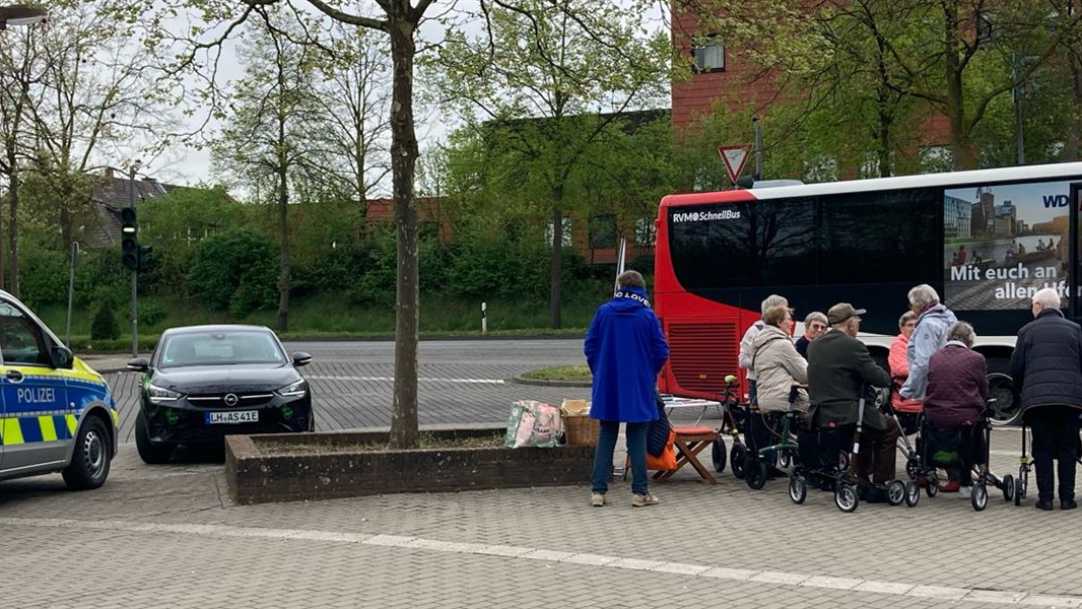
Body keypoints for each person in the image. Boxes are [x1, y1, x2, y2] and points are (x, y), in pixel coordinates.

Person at [584, 270, 670, 508]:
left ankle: (598, 491)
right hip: (638, 384)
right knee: (637, 437)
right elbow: (661, 350)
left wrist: (600, 370)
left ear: (620, 287)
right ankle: (639, 492)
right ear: (641, 289)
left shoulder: (604, 312)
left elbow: (590, 346)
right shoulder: (647, 315)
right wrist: (649, 373)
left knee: (607, 434)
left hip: (608, 382)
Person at [807, 303, 899, 500]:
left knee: (866, 432)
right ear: (849, 323)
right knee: (889, 427)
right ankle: (881, 482)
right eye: (856, 320)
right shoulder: (852, 345)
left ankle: (863, 479)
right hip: (848, 412)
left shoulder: (814, 345)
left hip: (820, 413)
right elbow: (880, 378)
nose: (859, 323)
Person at [1010, 287, 1082, 511]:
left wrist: (1024, 391)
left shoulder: (1026, 331)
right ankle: (1068, 499)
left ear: (1039, 306)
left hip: (1038, 402)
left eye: (1033, 305)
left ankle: (1046, 499)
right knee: (1068, 449)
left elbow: (1016, 367)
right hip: (1070, 401)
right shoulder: (1076, 330)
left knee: (1042, 448)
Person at [923, 322, 988, 499]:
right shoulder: (976, 358)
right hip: (964, 417)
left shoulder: (935, 357)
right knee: (978, 428)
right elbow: (983, 388)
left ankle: (931, 469)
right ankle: (970, 477)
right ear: (970, 340)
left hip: (935, 415)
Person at [899, 284, 957, 403]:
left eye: (911, 304)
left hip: (933, 387)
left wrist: (907, 390)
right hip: (951, 382)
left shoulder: (927, 325)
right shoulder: (949, 318)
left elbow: (923, 362)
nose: (911, 308)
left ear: (919, 305)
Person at [739, 294, 789, 405]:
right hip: (759, 384)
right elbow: (742, 361)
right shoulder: (754, 331)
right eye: (784, 310)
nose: (788, 314)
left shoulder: (784, 331)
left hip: (780, 383)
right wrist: (766, 362)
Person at [888, 311, 923, 434]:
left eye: (916, 325)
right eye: (909, 325)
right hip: (906, 404)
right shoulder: (899, 345)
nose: (914, 328)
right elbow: (900, 370)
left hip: (924, 403)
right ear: (901, 328)